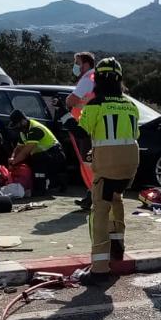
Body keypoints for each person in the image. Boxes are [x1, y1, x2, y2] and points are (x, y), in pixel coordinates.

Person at [77, 57, 141, 282]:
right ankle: (118, 248)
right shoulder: (131, 105)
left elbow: (83, 133)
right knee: (117, 199)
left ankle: (100, 267)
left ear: (98, 80)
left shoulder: (95, 105)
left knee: (100, 210)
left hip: (107, 166)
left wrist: (86, 157)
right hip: (131, 166)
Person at [64, 51, 96, 210]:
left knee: (88, 163)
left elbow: (71, 100)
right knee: (92, 164)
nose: (75, 66)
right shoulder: (97, 78)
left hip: (85, 126)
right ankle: (91, 195)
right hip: (92, 126)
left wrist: (68, 102)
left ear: (86, 64)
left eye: (77, 63)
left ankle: (92, 195)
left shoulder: (87, 79)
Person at [8, 109, 67, 191]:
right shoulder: (23, 132)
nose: (17, 127)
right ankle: (39, 184)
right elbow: (18, 148)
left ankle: (42, 186)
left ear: (23, 120)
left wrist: (14, 162)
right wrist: (12, 158)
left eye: (17, 124)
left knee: (37, 157)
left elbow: (25, 152)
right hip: (46, 155)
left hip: (55, 154)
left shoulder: (35, 129)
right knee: (33, 158)